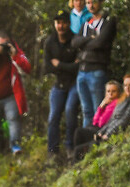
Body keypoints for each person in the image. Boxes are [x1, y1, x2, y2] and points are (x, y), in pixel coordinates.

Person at [72, 73, 130, 161]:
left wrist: (108, 134)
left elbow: (124, 120)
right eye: (125, 85)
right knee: (79, 137)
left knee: (78, 150)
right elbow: (111, 120)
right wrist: (101, 132)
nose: (127, 88)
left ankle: (78, 169)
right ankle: (79, 167)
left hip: (113, 136)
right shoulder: (124, 99)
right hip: (106, 132)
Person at [72, 0, 117, 127]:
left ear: (101, 2)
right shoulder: (87, 22)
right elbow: (74, 42)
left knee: (100, 109)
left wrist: (84, 44)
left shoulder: (108, 21)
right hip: (82, 71)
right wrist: (89, 39)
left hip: (97, 70)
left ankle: (99, 141)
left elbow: (100, 43)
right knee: (86, 111)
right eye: (88, 3)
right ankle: (88, 142)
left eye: (93, 2)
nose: (90, 6)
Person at [44, 9, 80, 160]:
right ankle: (52, 151)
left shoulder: (75, 40)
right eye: (58, 22)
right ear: (55, 24)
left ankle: (70, 146)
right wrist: (67, 66)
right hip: (58, 84)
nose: (61, 26)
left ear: (69, 23)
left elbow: (77, 66)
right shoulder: (49, 42)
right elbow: (48, 67)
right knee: (53, 117)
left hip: (74, 83)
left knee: (71, 111)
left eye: (64, 22)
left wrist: (60, 65)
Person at [71, 79, 121, 161]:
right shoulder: (106, 103)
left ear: (118, 93)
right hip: (96, 128)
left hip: (102, 131)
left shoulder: (115, 103)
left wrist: (103, 107)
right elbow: (95, 120)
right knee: (78, 132)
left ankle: (79, 158)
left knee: (79, 133)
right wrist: (101, 106)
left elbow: (102, 122)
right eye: (108, 91)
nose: (110, 94)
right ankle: (79, 157)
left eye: (113, 91)